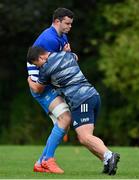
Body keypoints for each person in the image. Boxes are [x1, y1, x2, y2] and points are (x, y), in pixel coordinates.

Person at [27, 47, 120, 175]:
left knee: (84, 136)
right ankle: (106, 161)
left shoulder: (46, 68)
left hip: (81, 100)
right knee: (85, 138)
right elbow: (75, 56)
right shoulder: (66, 55)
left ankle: (109, 155)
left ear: (41, 58)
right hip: (93, 96)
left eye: (36, 64)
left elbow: (38, 89)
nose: (38, 67)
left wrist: (29, 81)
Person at [27, 7, 74, 174]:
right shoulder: (49, 39)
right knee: (65, 118)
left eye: (71, 23)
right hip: (42, 87)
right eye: (67, 23)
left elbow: (65, 61)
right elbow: (49, 66)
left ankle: (41, 162)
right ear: (57, 21)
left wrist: (68, 56)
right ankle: (47, 160)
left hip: (48, 85)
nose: (69, 26)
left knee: (64, 124)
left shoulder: (62, 36)